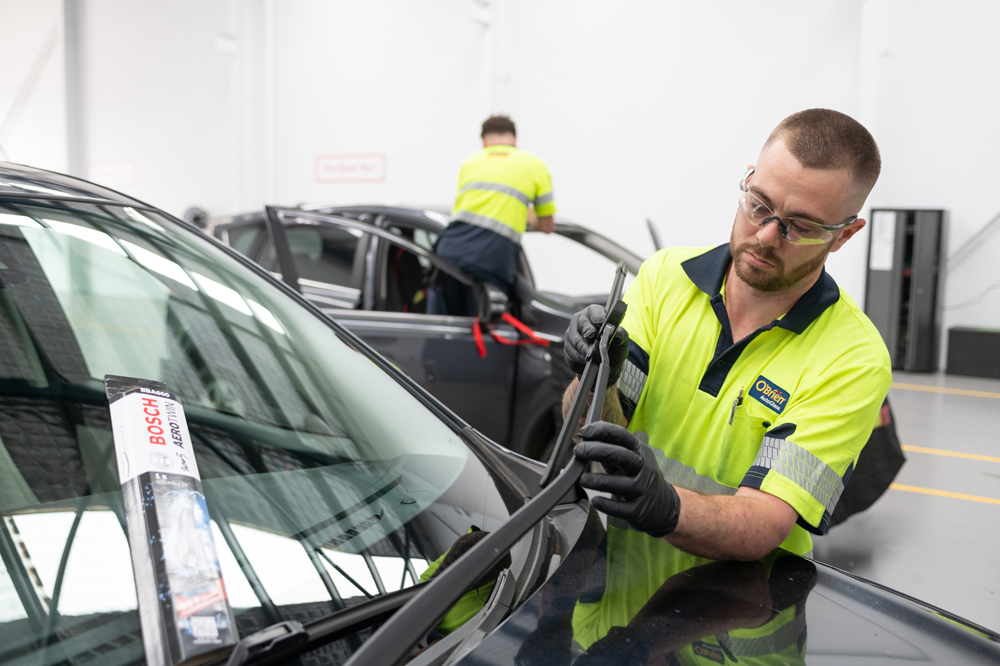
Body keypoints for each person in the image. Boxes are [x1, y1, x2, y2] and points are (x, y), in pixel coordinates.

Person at [563, 108, 891, 561]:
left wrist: (668, 506)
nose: (766, 236)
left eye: (800, 226)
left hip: (731, 613)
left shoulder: (852, 358)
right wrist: (593, 378)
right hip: (608, 583)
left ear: (844, 235)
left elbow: (764, 522)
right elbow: (597, 431)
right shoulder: (665, 277)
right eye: (759, 205)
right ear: (748, 178)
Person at [429, 115, 557, 316]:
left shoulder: (470, 162)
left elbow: (463, 210)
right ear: (514, 139)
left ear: (484, 142)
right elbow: (548, 226)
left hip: (449, 252)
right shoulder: (535, 165)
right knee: (486, 330)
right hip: (492, 257)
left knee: (447, 328)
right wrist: (524, 211)